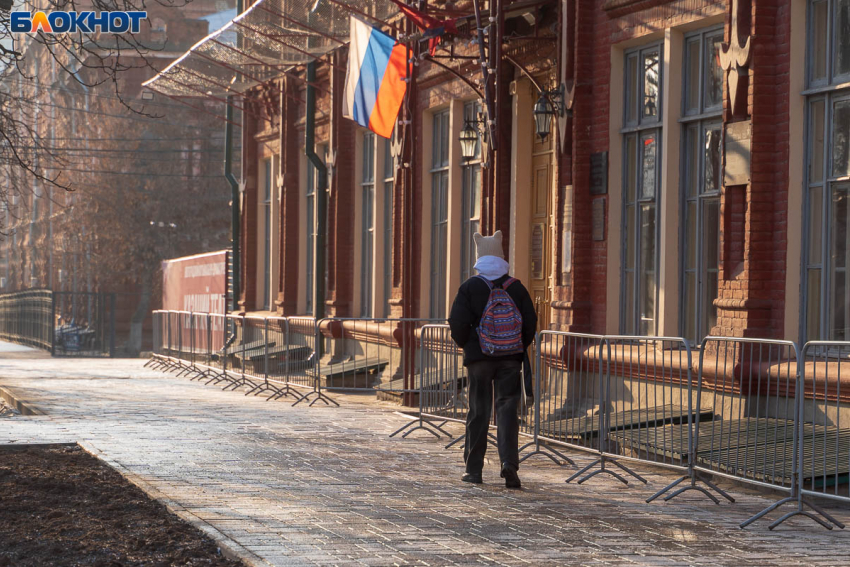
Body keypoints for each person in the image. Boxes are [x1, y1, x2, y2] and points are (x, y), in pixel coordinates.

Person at [448, 230, 537, 488]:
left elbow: (457, 323)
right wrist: (517, 345)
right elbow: (530, 322)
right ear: (501, 256)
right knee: (508, 410)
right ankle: (509, 464)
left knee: (479, 411)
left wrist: (470, 345)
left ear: (479, 256)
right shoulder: (516, 287)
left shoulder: (470, 287)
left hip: (480, 360)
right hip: (510, 358)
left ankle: (473, 470)